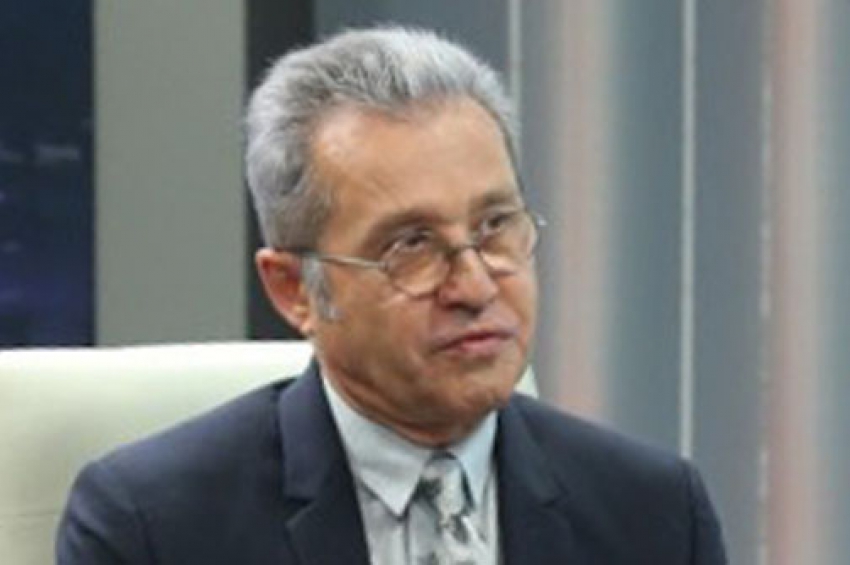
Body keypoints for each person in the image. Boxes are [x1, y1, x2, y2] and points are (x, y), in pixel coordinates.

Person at [56, 26, 727, 564]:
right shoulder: (153, 525)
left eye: (495, 225)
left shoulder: (655, 512)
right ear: (293, 290)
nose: (475, 285)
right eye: (411, 245)